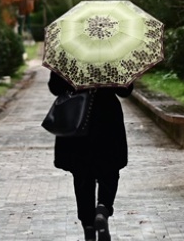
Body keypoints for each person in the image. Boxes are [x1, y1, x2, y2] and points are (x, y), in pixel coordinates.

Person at [48, 70, 134, 241]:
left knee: (82, 175)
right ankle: (103, 209)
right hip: (107, 117)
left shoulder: (68, 50)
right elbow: (125, 90)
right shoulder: (113, 53)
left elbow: (55, 87)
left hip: (78, 118)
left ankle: (88, 227)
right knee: (110, 170)